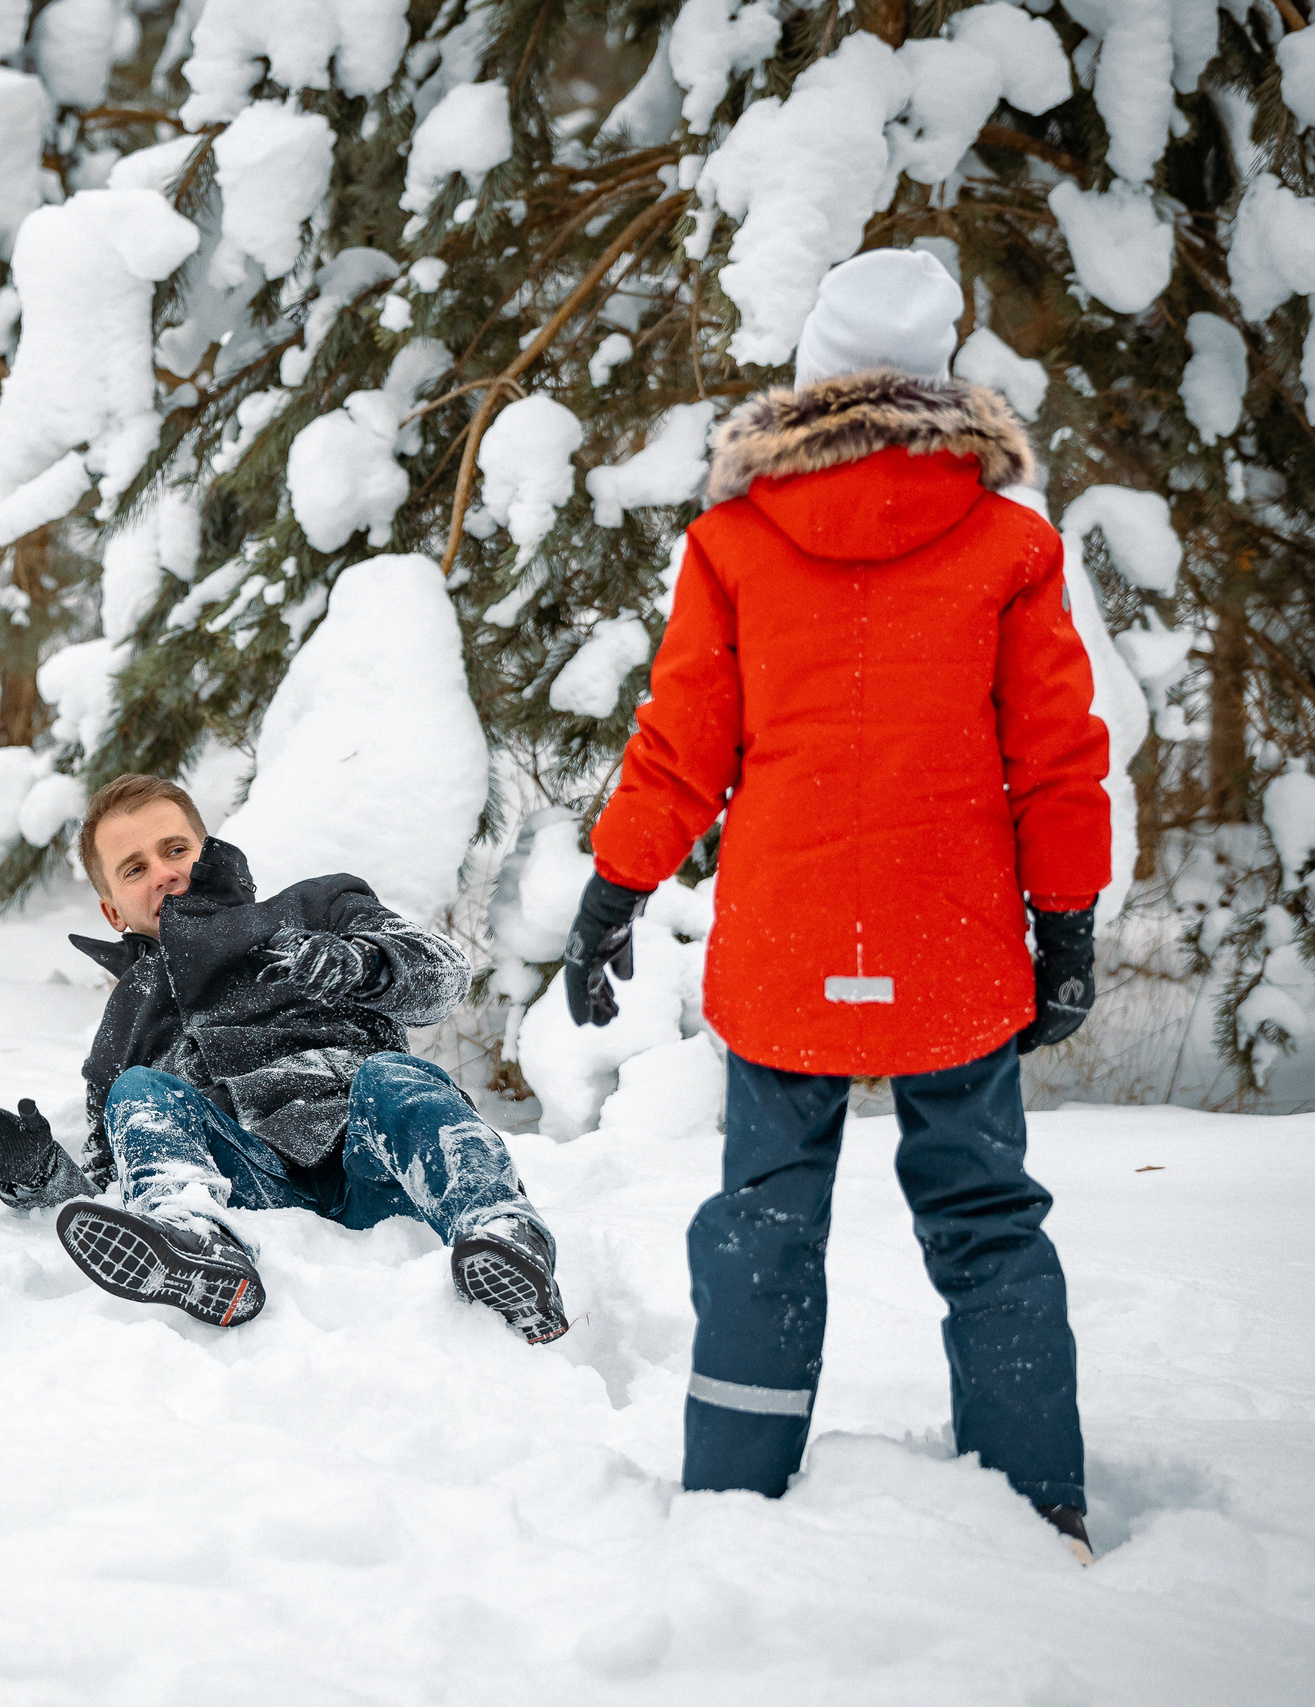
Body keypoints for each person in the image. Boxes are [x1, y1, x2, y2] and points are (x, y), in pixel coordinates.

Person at [564, 248, 1109, 1562]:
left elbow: (681, 742)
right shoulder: (1009, 542)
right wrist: (1068, 918)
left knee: (764, 1214)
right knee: (986, 1217)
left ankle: (737, 1491)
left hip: (791, 943)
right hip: (953, 943)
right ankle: (1042, 1498)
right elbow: (1056, 751)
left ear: (811, 378)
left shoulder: (737, 541)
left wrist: (616, 884)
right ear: (940, 386)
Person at [0, 773, 568, 1342]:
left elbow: (444, 977)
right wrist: (44, 1177)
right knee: (140, 1091)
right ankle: (195, 1240)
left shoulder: (314, 907)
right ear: (112, 909)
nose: (164, 874)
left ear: (208, 847)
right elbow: (113, 1175)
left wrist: (364, 963)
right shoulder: (125, 1022)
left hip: (376, 1161)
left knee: (394, 1078)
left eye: (175, 850)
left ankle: (501, 1234)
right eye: (134, 868)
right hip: (251, 1186)